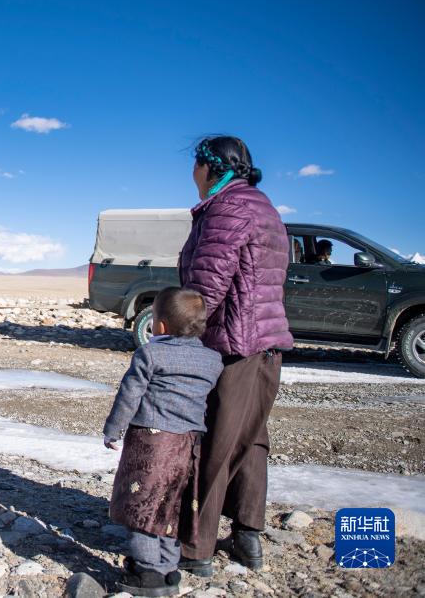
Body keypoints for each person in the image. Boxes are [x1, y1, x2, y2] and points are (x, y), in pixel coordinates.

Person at [177, 135, 293, 577]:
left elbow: (207, 285)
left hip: (231, 348)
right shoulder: (264, 207)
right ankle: (247, 537)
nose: (192, 174)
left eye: (195, 164)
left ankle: (196, 549)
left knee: (215, 444)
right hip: (266, 347)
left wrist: (182, 340)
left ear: (210, 167)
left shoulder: (227, 208)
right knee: (251, 439)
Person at [103, 287, 224, 597]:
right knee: (171, 505)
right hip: (188, 446)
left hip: (151, 443)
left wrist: (113, 429)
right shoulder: (212, 360)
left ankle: (146, 572)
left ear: (161, 325)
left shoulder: (151, 354)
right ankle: (169, 569)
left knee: (142, 505)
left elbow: (129, 395)